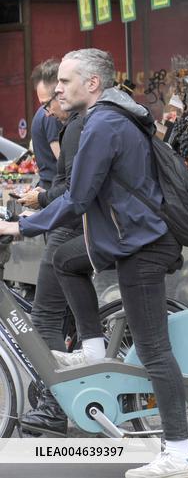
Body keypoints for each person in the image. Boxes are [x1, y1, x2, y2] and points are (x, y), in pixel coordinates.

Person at [0, 49, 188, 478]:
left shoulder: (105, 124)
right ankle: (92, 348)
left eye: (66, 82)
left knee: (154, 352)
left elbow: (76, 199)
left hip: (141, 247)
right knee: (66, 261)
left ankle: (180, 453)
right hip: (126, 239)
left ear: (92, 84)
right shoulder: (104, 118)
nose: (58, 89)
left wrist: (22, 228)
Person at [15, 71, 81, 436]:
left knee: (44, 318)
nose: (46, 110)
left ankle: (54, 408)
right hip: (70, 222)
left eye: (51, 99)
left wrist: (36, 209)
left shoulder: (76, 127)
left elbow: (71, 189)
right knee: (62, 316)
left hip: (70, 225)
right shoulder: (80, 122)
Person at [30, 59, 65, 190]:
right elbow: (63, 161)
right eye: (44, 104)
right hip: (55, 189)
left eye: (46, 103)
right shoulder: (52, 116)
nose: (47, 111)